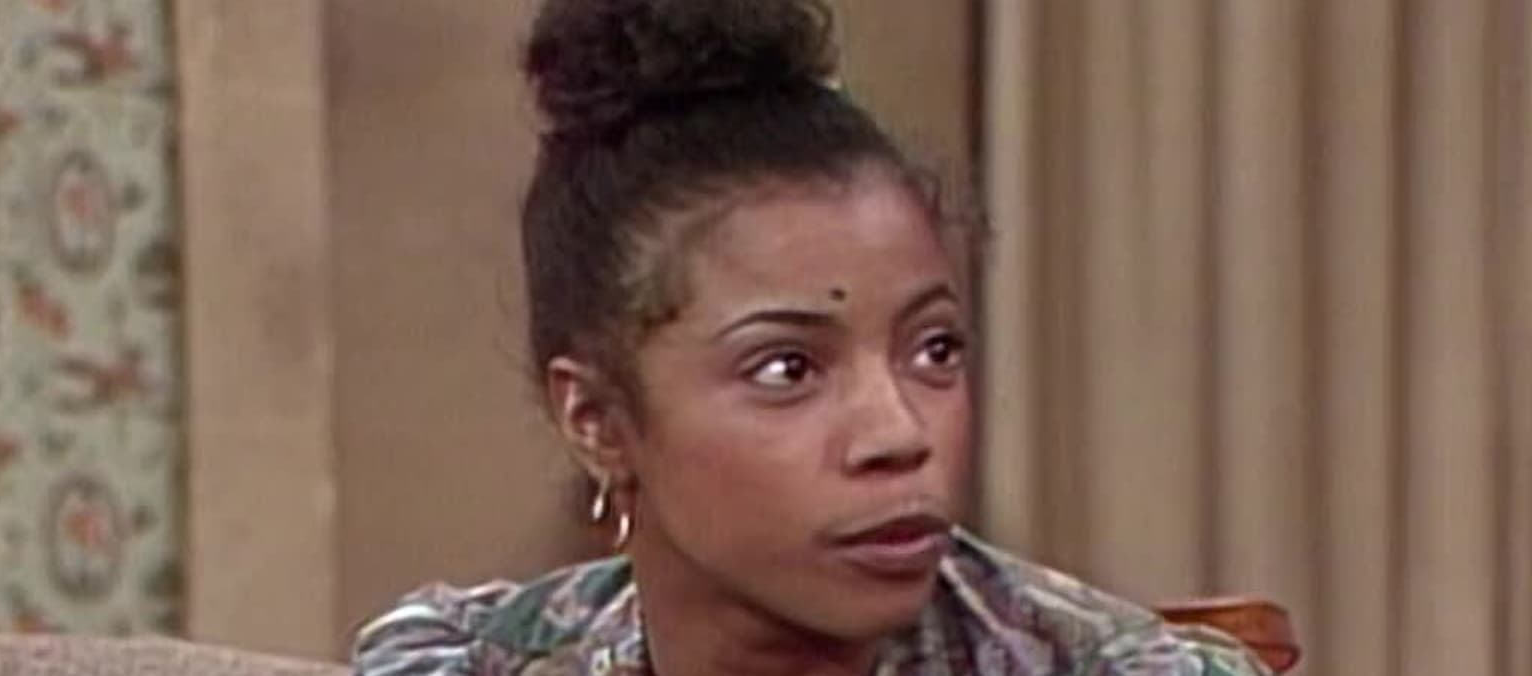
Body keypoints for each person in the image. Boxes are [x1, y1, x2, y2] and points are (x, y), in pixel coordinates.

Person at [351, 0, 1273, 673]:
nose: (899, 433)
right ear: (597, 419)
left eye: (935, 351)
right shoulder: (464, 660)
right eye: (789, 367)